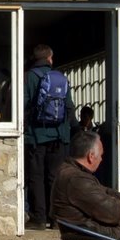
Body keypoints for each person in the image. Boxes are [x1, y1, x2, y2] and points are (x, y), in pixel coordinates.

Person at [23, 43, 74, 230]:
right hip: (59, 137)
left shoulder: (28, 77)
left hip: (36, 136)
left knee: (36, 177)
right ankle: (56, 219)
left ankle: (38, 218)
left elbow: (24, 105)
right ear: (50, 58)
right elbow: (69, 107)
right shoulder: (61, 78)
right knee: (55, 177)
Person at [51, 131, 120, 240]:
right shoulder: (77, 179)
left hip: (90, 235)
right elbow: (113, 213)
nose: (101, 159)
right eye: (101, 155)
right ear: (91, 156)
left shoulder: (72, 173)